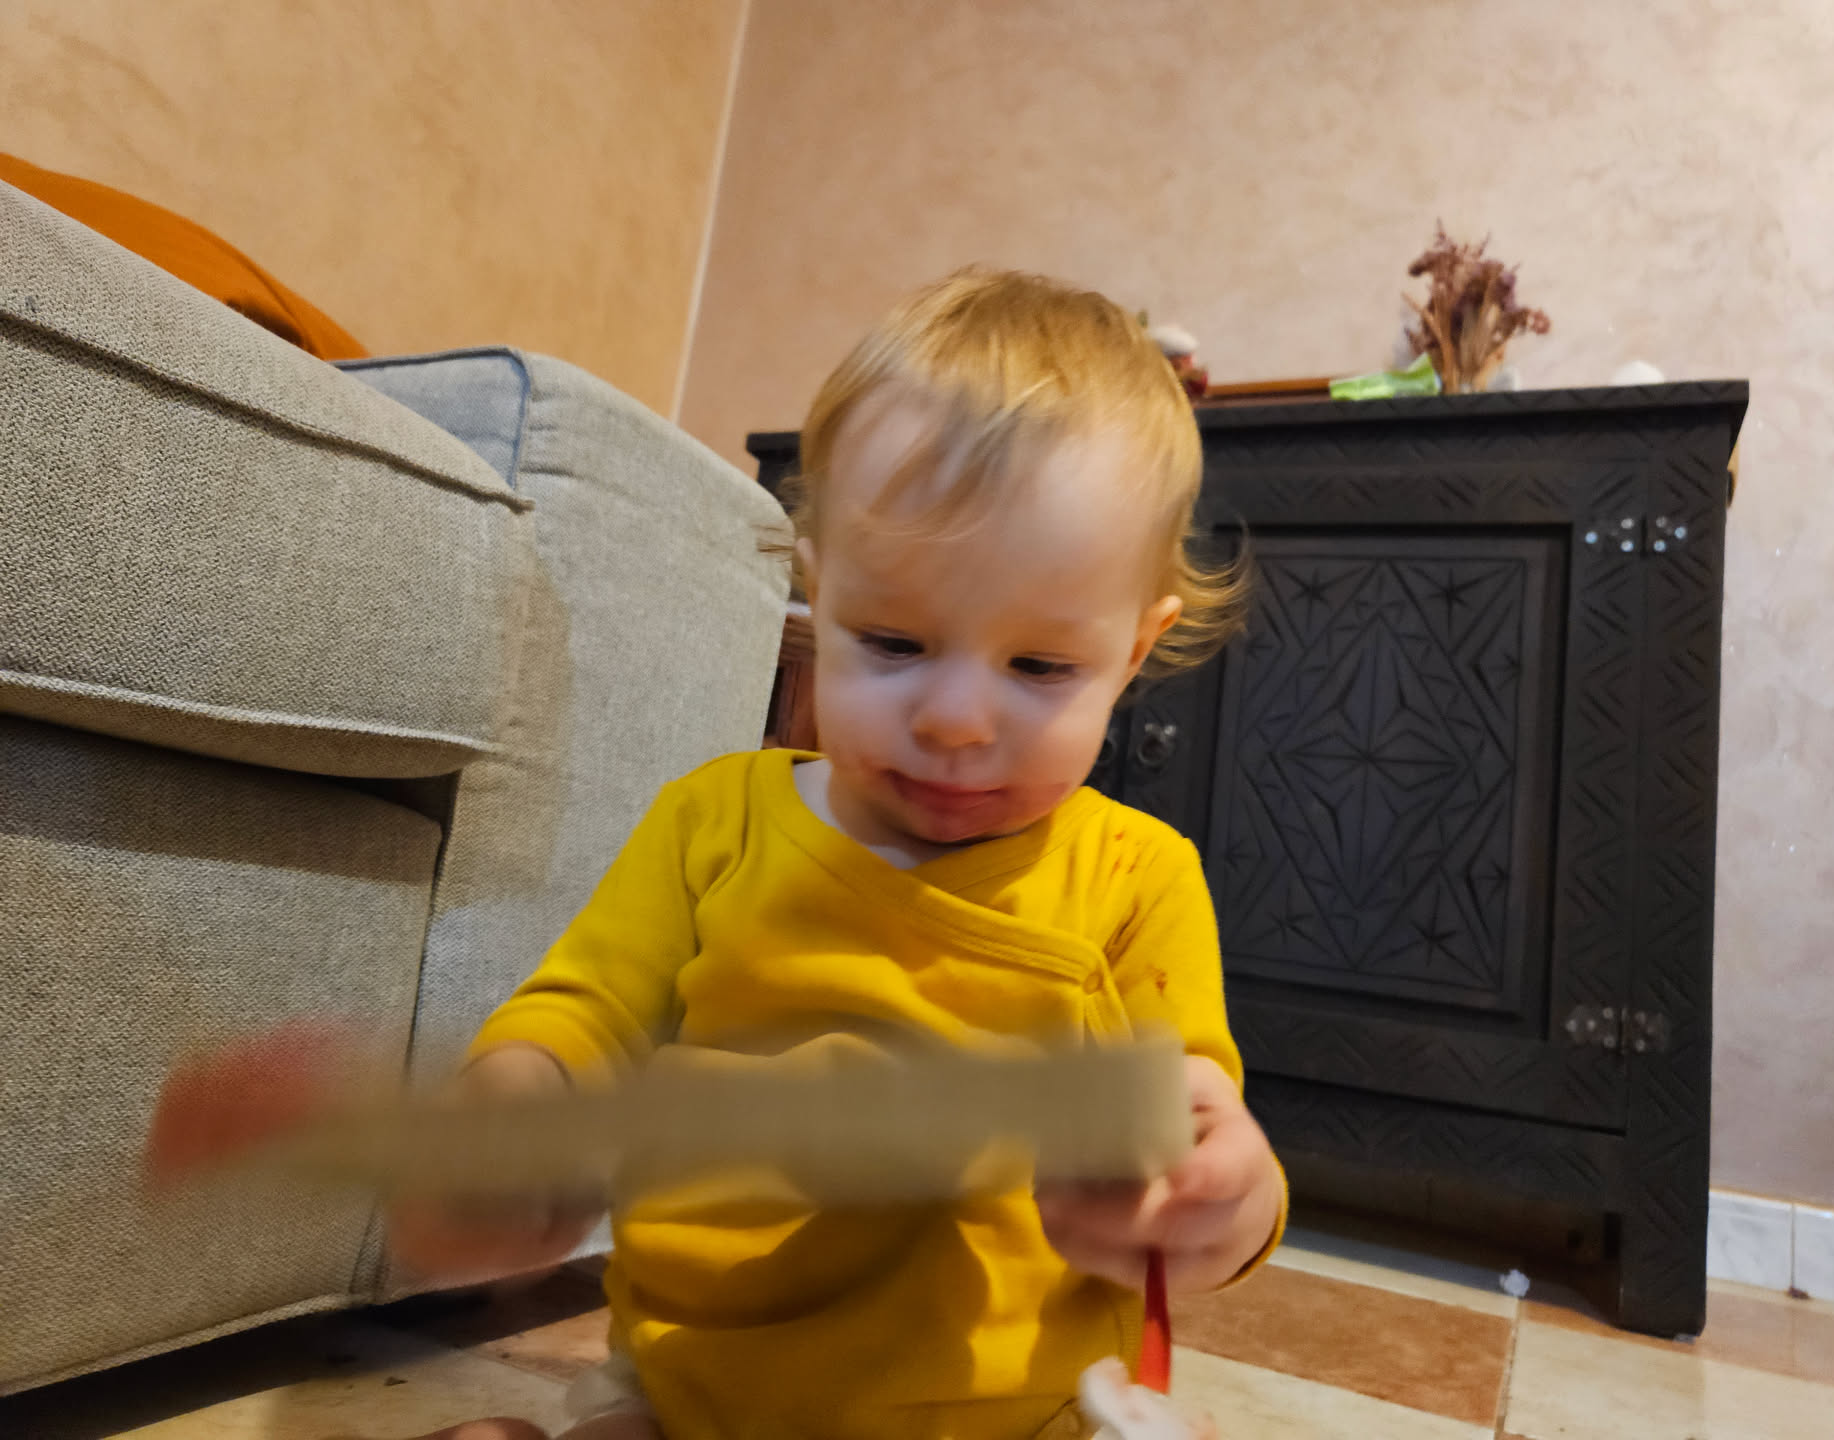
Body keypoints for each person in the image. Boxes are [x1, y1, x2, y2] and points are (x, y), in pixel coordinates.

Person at [151, 268, 1286, 1440]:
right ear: (817, 593)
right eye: (894, 642)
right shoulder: (714, 823)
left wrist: (1220, 1202)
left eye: (1040, 667)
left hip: (1014, 1416)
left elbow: (1202, 1133)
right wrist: (500, 1146)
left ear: (1135, 649)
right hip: (699, 1391)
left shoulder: (1137, 880)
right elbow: (581, 1023)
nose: (956, 720)